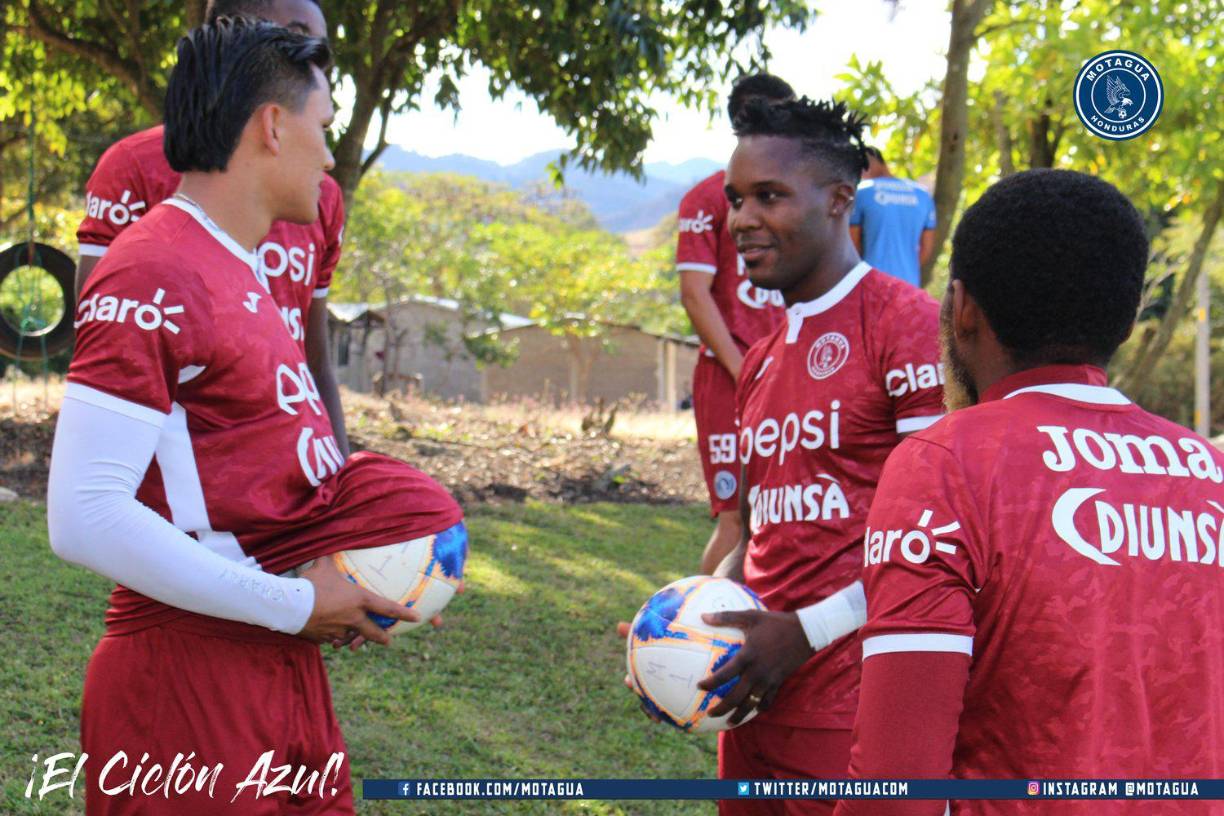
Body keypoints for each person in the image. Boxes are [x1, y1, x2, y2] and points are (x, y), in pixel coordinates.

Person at [47, 19, 465, 814]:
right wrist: (301, 603)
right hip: (185, 686)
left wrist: (373, 561)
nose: (332, 155)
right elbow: (82, 515)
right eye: (325, 125)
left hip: (281, 667)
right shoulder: (152, 266)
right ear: (273, 125)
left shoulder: (238, 267)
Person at [836, 169, 1224, 815]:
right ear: (1126, 323)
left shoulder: (943, 465)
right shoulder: (1209, 472)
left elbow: (895, 795)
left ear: (961, 309)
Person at [694, 97, 945, 815]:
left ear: (840, 201)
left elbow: (938, 549)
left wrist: (805, 634)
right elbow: (756, 533)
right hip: (752, 705)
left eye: (769, 196)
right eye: (736, 199)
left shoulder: (909, 327)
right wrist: (690, 618)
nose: (741, 220)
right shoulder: (762, 360)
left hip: (854, 714)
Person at [75, 0, 351, 456]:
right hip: (182, 472)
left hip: (282, 466)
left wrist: (339, 475)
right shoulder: (134, 167)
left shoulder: (320, 195)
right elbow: (102, 345)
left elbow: (312, 355)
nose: (316, 57)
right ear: (232, 32)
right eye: (300, 35)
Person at [677, 73, 794, 574]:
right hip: (730, 378)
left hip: (788, 372)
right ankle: (688, 640)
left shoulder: (796, 198)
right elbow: (694, 295)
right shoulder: (707, 199)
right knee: (735, 519)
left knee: (783, 514)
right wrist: (745, 368)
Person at [847, 146, 935, 288]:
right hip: (909, 287)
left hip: (871, 286)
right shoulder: (922, 195)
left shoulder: (863, 192)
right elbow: (927, 249)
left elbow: (852, 246)